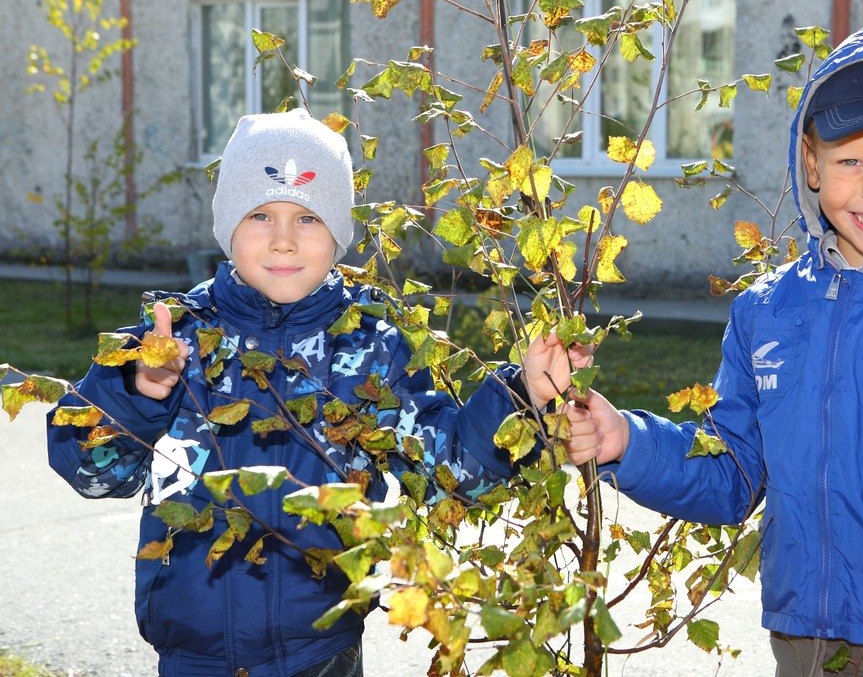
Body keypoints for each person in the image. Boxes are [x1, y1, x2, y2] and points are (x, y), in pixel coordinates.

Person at [562, 17, 863, 676]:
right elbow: (731, 472)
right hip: (806, 644)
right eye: (852, 160)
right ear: (813, 163)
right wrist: (629, 440)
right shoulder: (765, 311)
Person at [46, 108, 589, 677]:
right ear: (228, 225)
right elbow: (89, 470)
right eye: (260, 214)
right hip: (192, 656)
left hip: (321, 654)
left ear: (338, 234)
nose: (283, 240)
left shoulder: (374, 346)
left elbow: (447, 471)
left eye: (307, 218)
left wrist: (523, 394)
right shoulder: (173, 338)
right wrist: (140, 392)